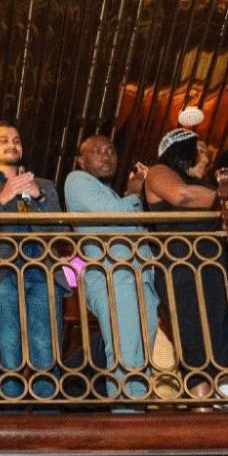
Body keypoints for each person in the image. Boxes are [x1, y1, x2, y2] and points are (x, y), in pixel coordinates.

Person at [0, 120, 64, 398]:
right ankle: (11, 417)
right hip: (0, 274)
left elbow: (61, 231)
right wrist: (3, 198)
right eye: (3, 140)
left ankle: (48, 418)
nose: (12, 145)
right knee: (7, 349)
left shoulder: (44, 184)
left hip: (42, 270)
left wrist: (39, 197)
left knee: (46, 346)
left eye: (16, 140)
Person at [140, 127, 228, 400]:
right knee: (195, 337)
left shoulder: (205, 187)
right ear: (178, 153)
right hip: (183, 268)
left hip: (212, 267)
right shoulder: (158, 171)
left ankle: (222, 406)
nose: (207, 158)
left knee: (220, 342)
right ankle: (202, 409)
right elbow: (181, 195)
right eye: (199, 151)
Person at [61, 134, 162, 399]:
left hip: (139, 278)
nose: (106, 156)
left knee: (142, 362)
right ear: (81, 161)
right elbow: (110, 212)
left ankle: (134, 420)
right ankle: (126, 427)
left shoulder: (114, 193)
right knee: (124, 357)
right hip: (114, 276)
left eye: (111, 151)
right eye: (97, 151)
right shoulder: (77, 180)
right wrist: (133, 193)